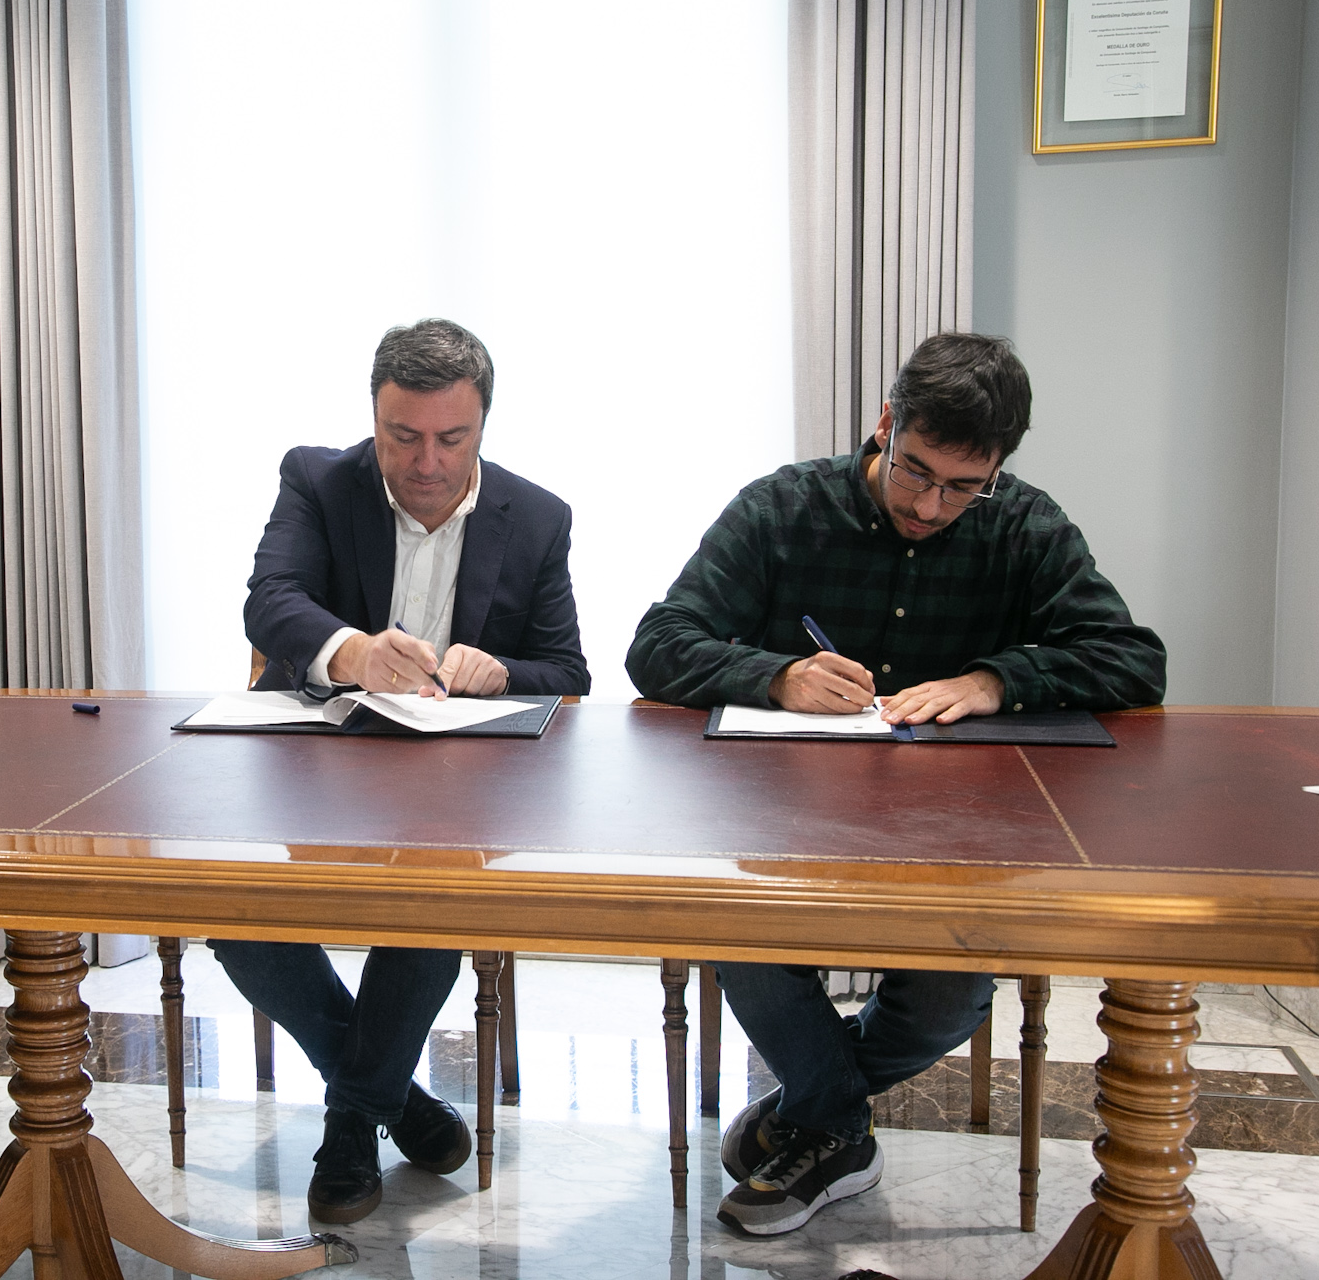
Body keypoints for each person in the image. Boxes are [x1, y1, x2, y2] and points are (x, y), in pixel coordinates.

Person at [627, 332, 1165, 1238]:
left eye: (964, 487)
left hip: (957, 836)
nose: (930, 505)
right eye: (916, 471)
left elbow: (1135, 660)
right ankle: (834, 1126)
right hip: (785, 826)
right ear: (886, 423)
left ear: (997, 470)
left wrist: (995, 680)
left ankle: (816, 1114)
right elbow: (657, 645)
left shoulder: (1024, 526)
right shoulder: (781, 508)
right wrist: (775, 676)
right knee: (737, 934)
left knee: (950, 998)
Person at [214, 317, 591, 1224]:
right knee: (227, 909)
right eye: (403, 436)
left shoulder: (538, 517)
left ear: (483, 425)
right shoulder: (317, 480)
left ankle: (352, 1123)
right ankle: (402, 1104)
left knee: (430, 906)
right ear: (373, 418)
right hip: (312, 769)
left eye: (451, 439)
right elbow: (271, 600)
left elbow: (568, 673)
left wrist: (499, 671)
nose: (427, 462)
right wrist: (350, 652)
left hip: (450, 790)